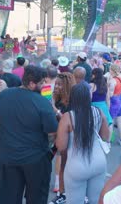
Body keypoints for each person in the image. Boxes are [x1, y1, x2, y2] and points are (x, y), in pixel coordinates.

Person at [0, 65, 57, 204]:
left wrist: (7, 126)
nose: (44, 85)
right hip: (36, 159)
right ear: (31, 84)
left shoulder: (3, 95)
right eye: (42, 82)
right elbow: (52, 131)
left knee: (8, 198)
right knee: (36, 198)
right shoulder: (43, 102)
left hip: (9, 158)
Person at [56, 84, 110, 204]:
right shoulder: (98, 112)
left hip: (76, 165)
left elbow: (61, 146)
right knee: (96, 200)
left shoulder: (68, 117)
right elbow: (106, 137)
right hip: (99, 163)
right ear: (88, 97)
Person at [50, 72, 76, 204]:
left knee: (64, 164)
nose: (57, 87)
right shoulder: (57, 98)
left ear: (66, 86)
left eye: (60, 84)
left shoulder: (72, 101)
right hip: (55, 135)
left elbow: (69, 121)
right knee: (58, 163)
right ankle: (61, 191)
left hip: (66, 137)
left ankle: (63, 192)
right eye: (56, 84)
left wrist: (55, 109)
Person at [108, 65, 121, 146]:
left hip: (114, 102)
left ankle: (109, 141)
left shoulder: (112, 81)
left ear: (112, 70)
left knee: (111, 122)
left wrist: (107, 89)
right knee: (120, 121)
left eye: (110, 70)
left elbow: (110, 95)